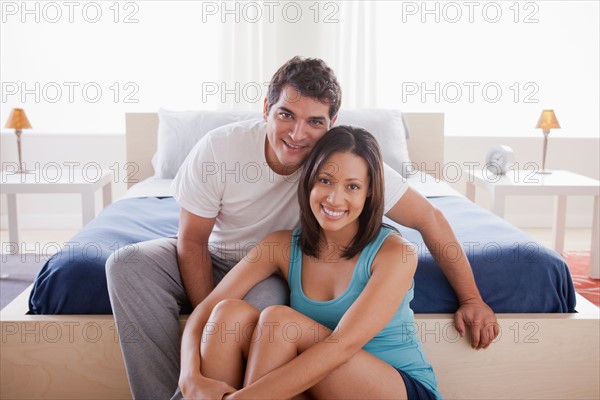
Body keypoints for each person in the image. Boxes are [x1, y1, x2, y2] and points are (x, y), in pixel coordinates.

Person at [106, 56, 497, 400]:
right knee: (184, 292)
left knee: (274, 318)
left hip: (373, 370)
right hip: (222, 256)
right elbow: (192, 243)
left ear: (331, 125)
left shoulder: (353, 170)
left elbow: (428, 218)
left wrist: (472, 298)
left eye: (314, 122)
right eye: (286, 115)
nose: (297, 134)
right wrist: (193, 376)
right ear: (266, 110)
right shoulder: (222, 153)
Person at [179, 126, 441, 400]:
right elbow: (206, 311)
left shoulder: (395, 253)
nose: (334, 198)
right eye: (325, 180)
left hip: (396, 386)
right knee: (227, 314)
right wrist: (190, 379)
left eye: (352, 186)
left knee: (279, 321)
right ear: (309, 180)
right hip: (315, 381)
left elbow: (342, 346)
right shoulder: (280, 246)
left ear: (370, 192)